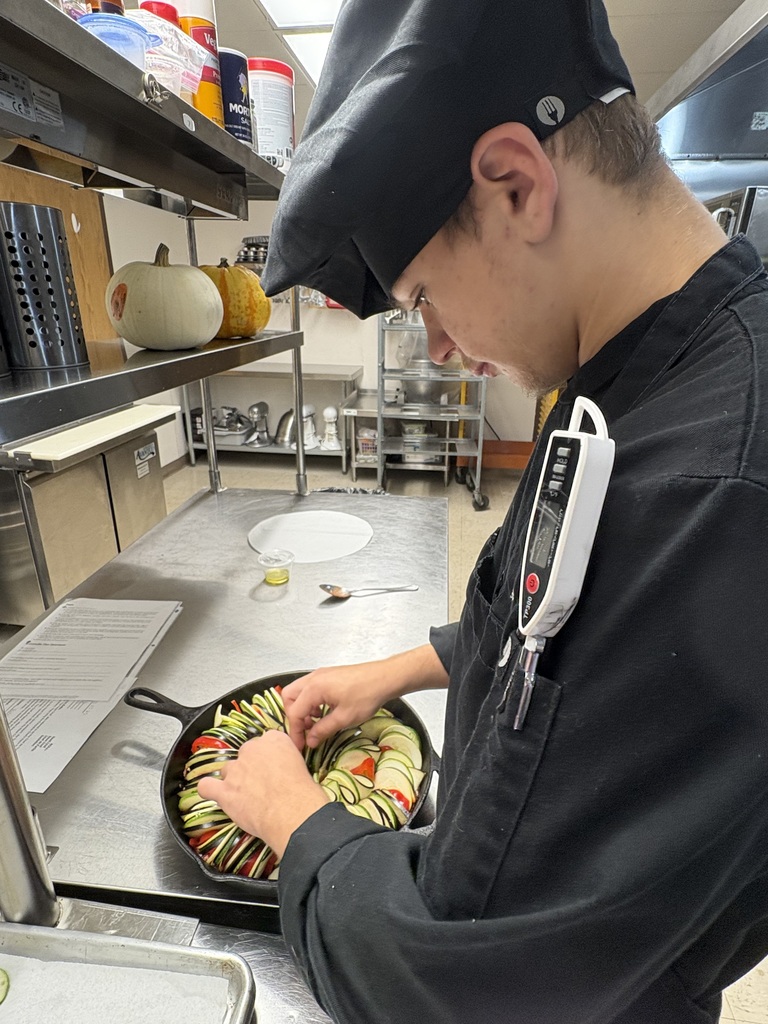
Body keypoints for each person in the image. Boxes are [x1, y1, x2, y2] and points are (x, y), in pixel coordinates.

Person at [197, 1, 768, 1021]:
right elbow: (575, 614)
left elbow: (473, 994)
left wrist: (300, 821)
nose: (440, 347)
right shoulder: (632, 374)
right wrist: (414, 663)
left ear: (514, 183)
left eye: (421, 299)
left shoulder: (708, 498)